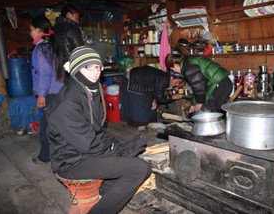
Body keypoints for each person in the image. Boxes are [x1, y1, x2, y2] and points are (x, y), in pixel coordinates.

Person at [46, 46, 151, 214]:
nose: (95, 72)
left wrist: (116, 146)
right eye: (88, 67)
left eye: (97, 67)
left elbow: (97, 130)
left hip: (83, 153)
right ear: (76, 69)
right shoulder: (67, 103)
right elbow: (88, 143)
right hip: (71, 161)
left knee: (124, 155)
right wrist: (118, 151)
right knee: (139, 168)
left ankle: (103, 195)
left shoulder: (89, 92)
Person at [29, 14, 64, 162]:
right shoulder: (51, 45)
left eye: (31, 29)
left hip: (50, 93)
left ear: (37, 30)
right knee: (57, 124)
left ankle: (45, 156)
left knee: (46, 127)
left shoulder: (41, 48)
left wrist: (41, 95)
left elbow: (44, 73)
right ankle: (62, 153)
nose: (29, 33)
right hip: (60, 91)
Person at [165, 52, 232, 113]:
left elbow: (199, 86)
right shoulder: (188, 62)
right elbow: (198, 87)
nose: (174, 71)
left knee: (210, 112)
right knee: (212, 111)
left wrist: (199, 103)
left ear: (175, 64)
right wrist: (193, 104)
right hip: (221, 83)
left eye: (172, 69)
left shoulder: (188, 68)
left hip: (219, 85)